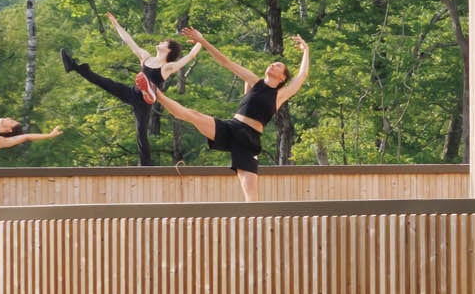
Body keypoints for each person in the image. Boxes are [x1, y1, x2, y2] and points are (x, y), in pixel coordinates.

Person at [139, 25, 309, 202]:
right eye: (273, 63)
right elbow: (225, 61)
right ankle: (155, 93)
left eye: (278, 65)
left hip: (249, 140)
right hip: (231, 127)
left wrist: (306, 50)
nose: (272, 64)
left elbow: (302, 75)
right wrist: (202, 41)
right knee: (192, 115)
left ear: (282, 78)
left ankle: (255, 224)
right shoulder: (254, 81)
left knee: (251, 195)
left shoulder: (279, 95)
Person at [59, 17, 202, 167]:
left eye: (163, 43)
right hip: (132, 93)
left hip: (143, 102)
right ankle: (74, 66)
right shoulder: (146, 57)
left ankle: (146, 165)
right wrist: (117, 25)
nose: (160, 43)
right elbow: (129, 41)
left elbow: (190, 56)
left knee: (141, 133)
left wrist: (200, 41)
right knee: (104, 82)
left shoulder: (167, 67)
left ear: (168, 49)